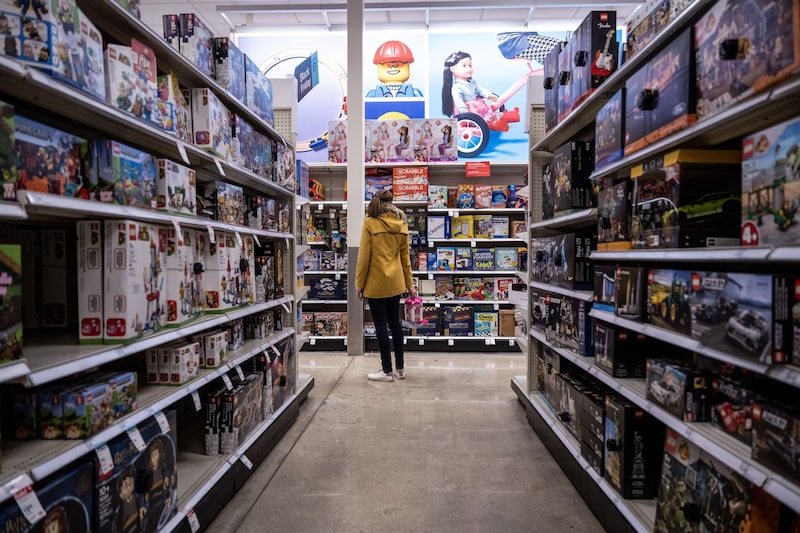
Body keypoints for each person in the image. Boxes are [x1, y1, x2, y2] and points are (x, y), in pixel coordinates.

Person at [355, 189, 416, 381]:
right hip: (396, 282)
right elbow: (405, 259)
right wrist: (410, 284)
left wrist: (359, 284)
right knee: (395, 323)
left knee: (380, 325)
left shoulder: (370, 222)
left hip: (375, 282)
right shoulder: (401, 223)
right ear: (392, 202)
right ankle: (400, 369)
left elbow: (364, 258)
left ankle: (386, 370)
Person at [441, 50, 520, 131]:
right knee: (483, 120)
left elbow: (479, 90)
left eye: (470, 65)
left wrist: (489, 95)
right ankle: (494, 125)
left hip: (477, 106)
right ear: (453, 69)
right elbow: (459, 103)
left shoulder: (471, 82)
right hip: (469, 112)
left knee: (490, 114)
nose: (469, 69)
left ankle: (510, 116)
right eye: (464, 66)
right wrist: (467, 115)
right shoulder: (457, 88)